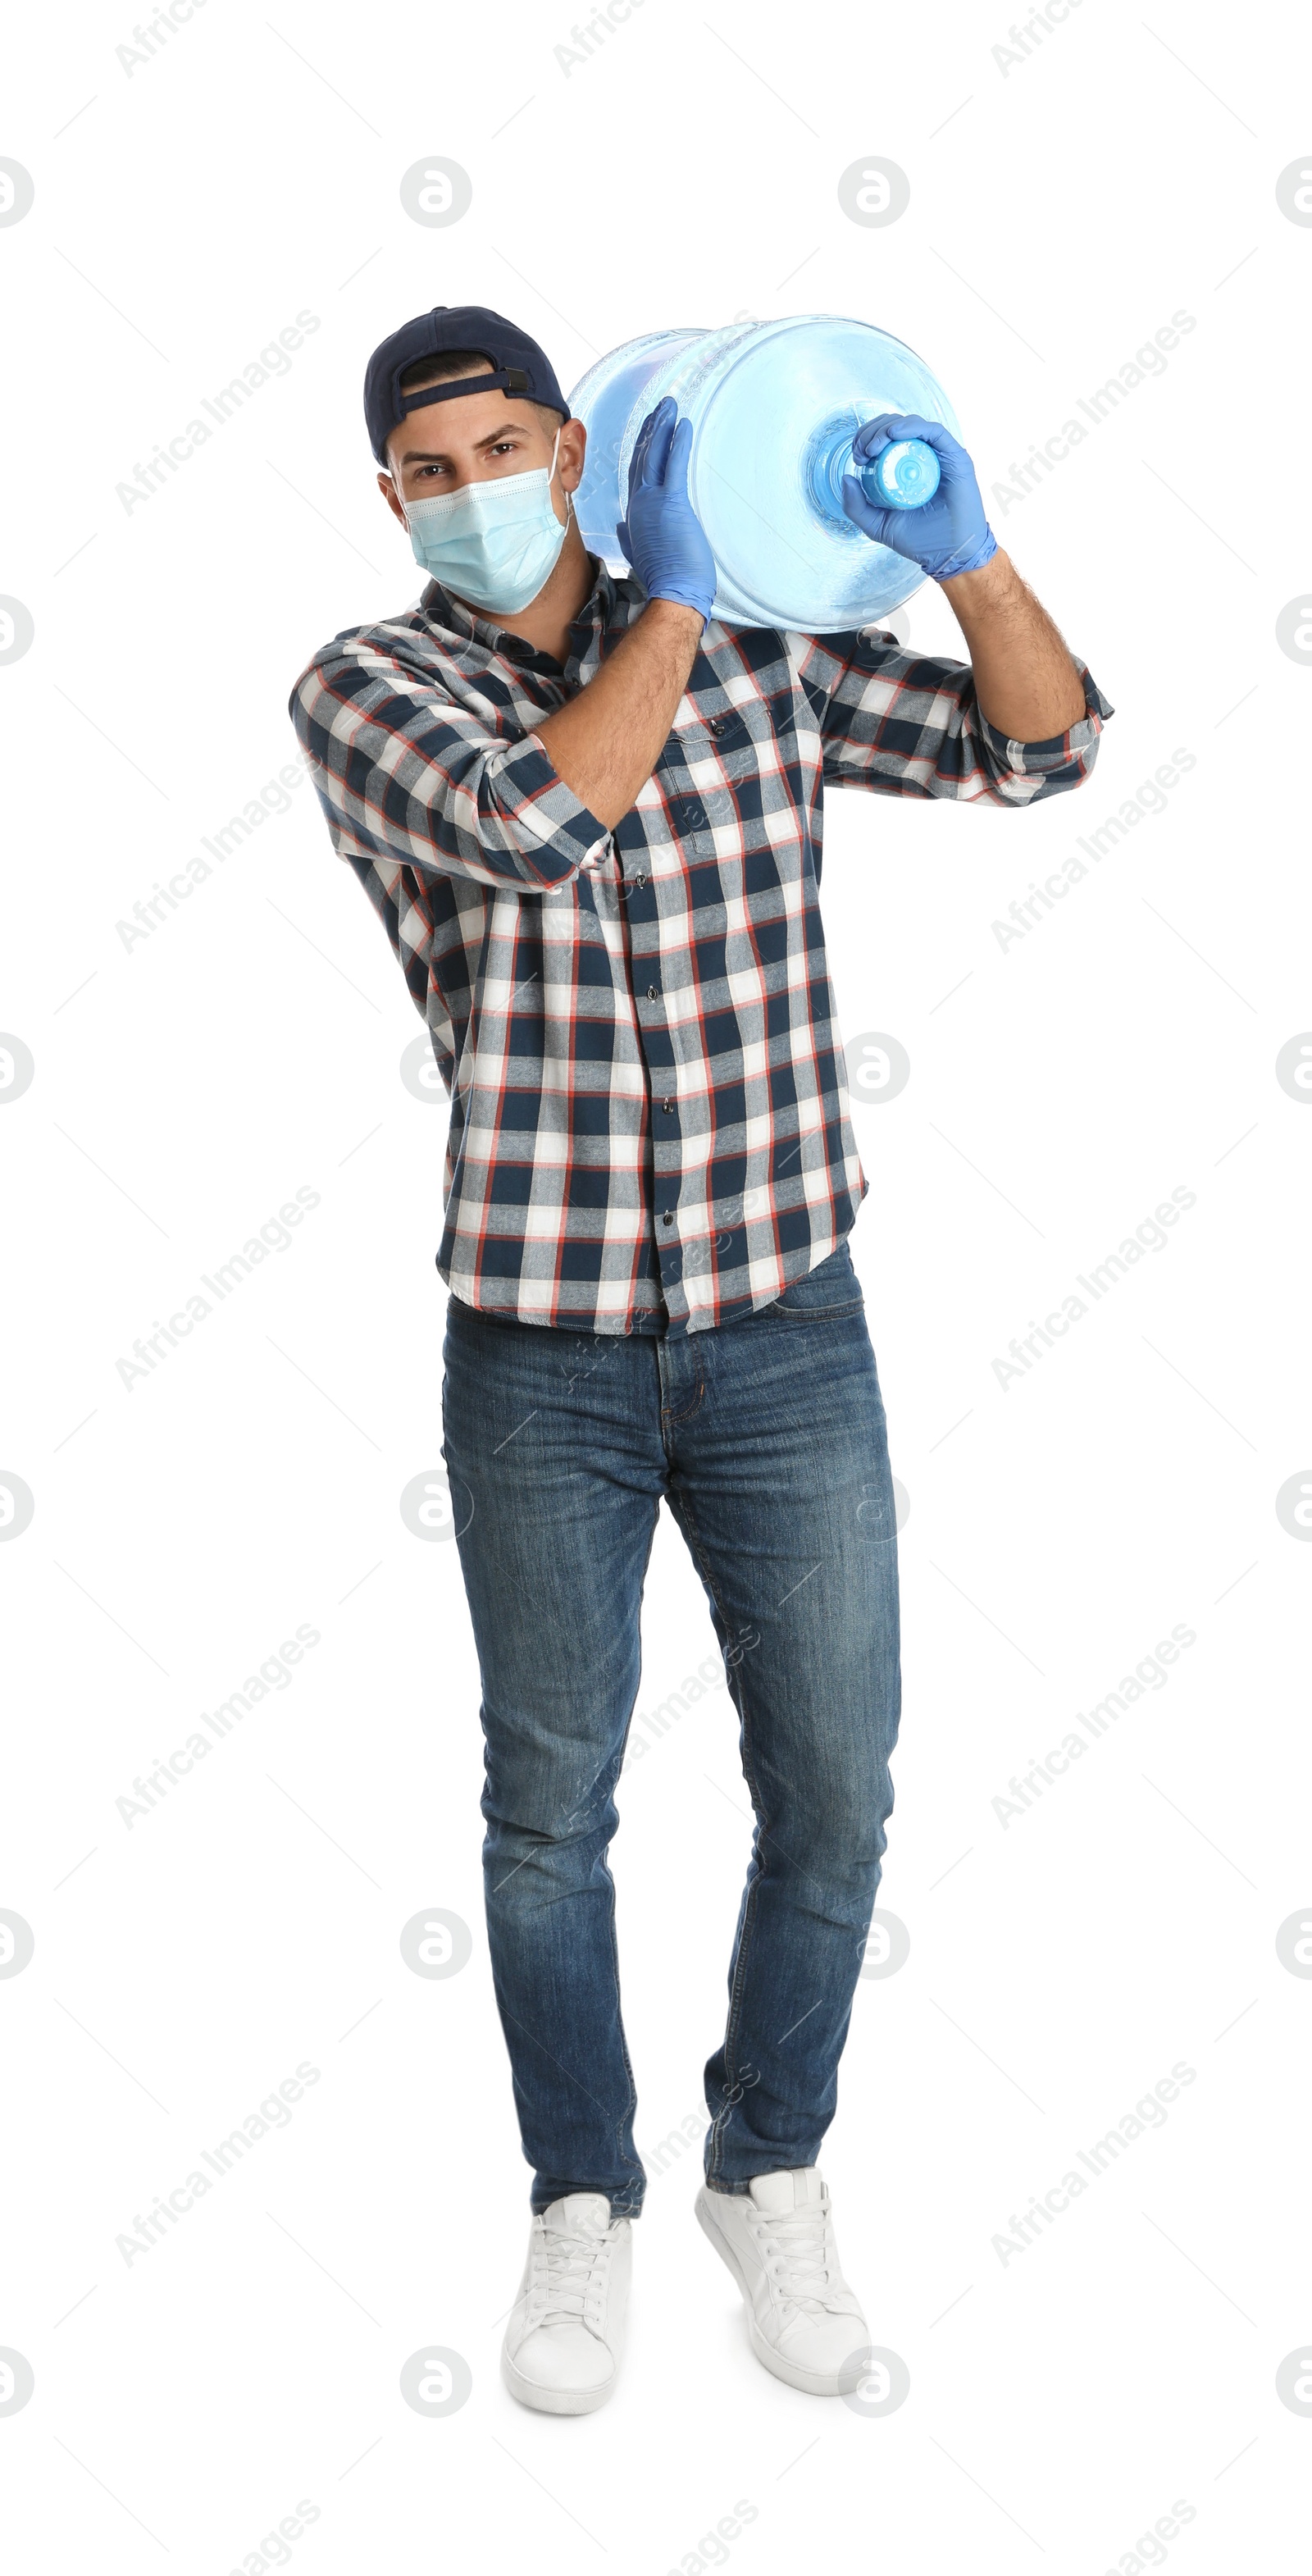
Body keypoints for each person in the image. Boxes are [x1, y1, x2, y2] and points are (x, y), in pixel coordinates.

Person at [289, 303, 1113, 2415]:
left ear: (578, 442)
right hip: (541, 1352)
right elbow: (544, 824)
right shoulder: (371, 687)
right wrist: (664, 597)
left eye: (499, 446)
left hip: (784, 1328)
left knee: (836, 1777)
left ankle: (771, 2162)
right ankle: (586, 2202)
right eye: (426, 469)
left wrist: (965, 554)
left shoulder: (758, 641)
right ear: (394, 498)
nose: (468, 490)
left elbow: (1041, 748)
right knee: (550, 1808)